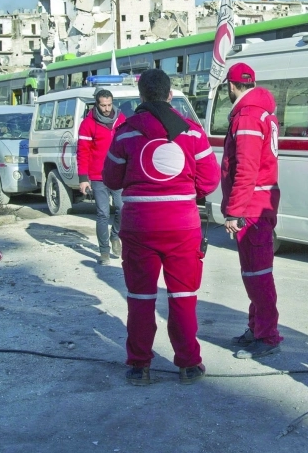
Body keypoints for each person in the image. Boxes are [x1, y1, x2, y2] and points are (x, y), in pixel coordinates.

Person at [101, 69, 220, 386]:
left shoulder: (125, 132)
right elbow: (210, 180)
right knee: (183, 297)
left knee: (140, 298)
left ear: (140, 96)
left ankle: (139, 366)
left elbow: (111, 178)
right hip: (182, 227)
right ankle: (189, 365)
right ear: (170, 94)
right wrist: (185, 192)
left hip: (139, 226)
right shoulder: (192, 132)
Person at [220, 63, 283, 360]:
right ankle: (257, 327)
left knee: (257, 274)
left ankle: (267, 335)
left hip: (252, 206)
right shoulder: (260, 112)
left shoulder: (246, 116)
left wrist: (233, 211)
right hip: (258, 202)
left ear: (231, 86)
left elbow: (246, 169)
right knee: (254, 272)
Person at [77, 89, 126, 265]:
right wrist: (83, 178)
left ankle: (115, 236)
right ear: (97, 104)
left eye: (109, 105)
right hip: (98, 176)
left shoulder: (121, 119)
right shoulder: (87, 124)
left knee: (123, 208)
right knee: (103, 213)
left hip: (118, 173)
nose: (106, 109)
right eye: (103, 105)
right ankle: (104, 252)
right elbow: (82, 152)